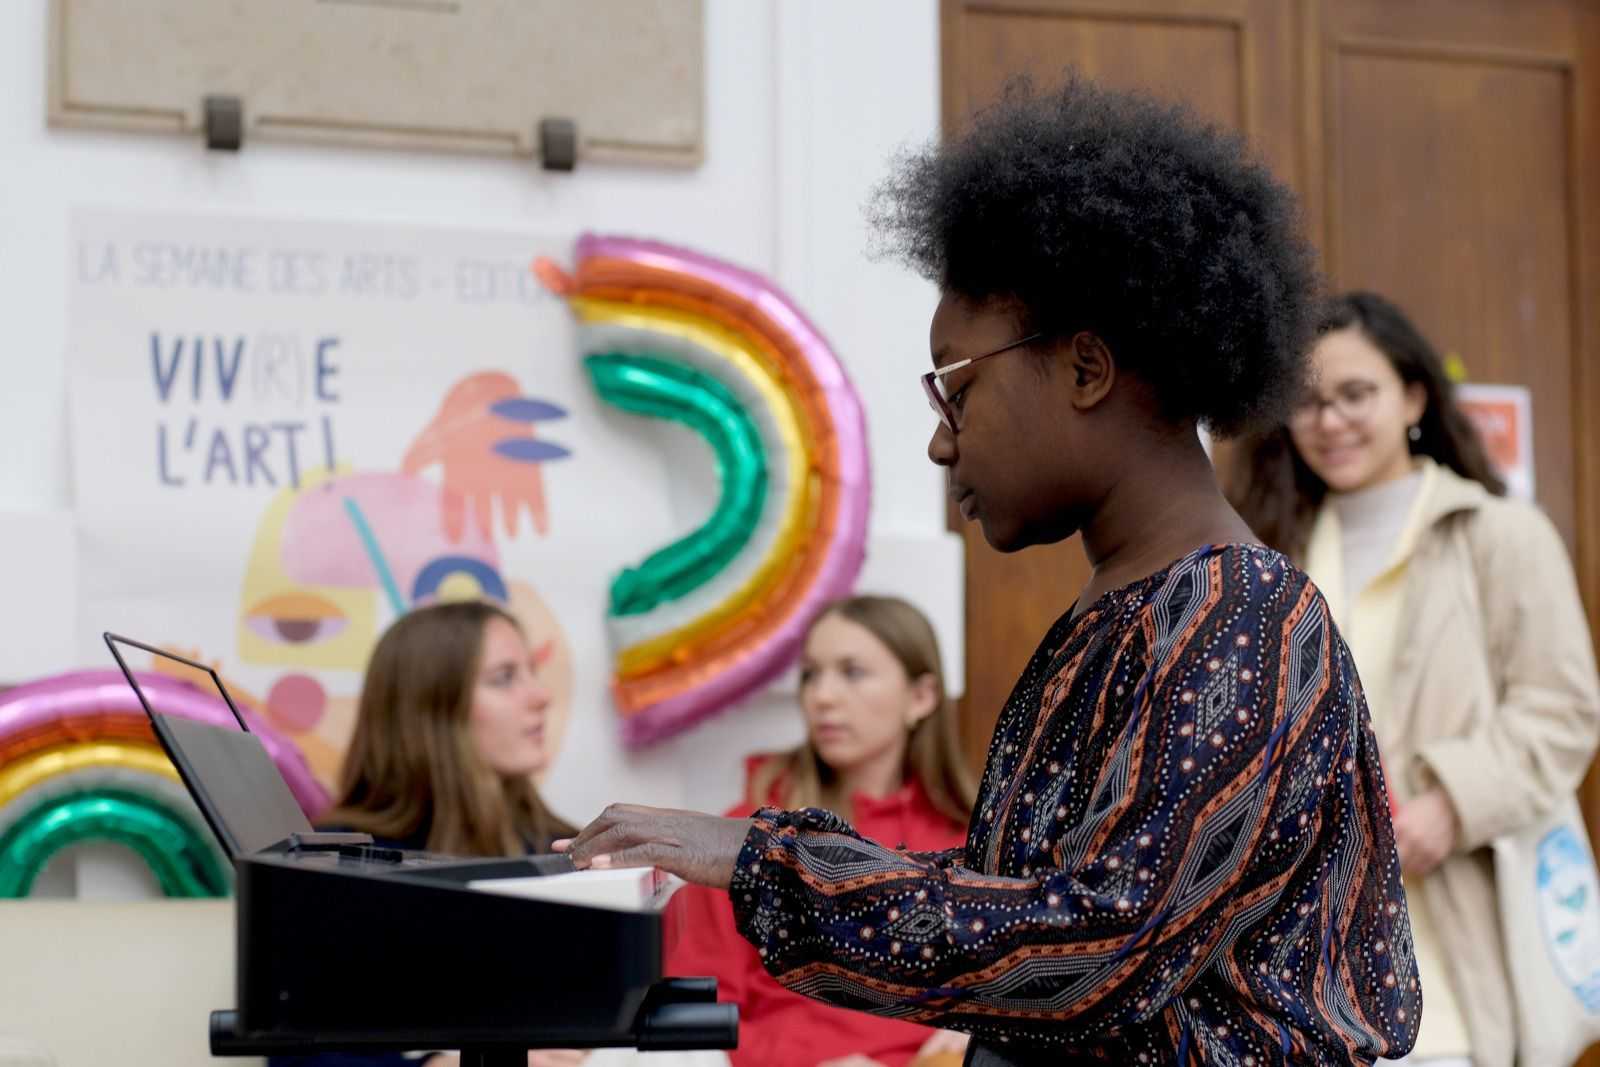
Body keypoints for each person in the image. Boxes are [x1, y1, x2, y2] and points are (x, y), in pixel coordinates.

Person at [556, 74, 1420, 1066]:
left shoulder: (1243, 614)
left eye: (956, 386)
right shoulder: (1127, 612)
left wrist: (767, 860)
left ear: (1085, 368)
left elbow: (1096, 941)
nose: (939, 442)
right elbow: (1017, 901)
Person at [1225, 291, 1600, 1067]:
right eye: (1308, 402)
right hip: (1295, 980)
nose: (1330, 421)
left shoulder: (1497, 533)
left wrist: (1452, 806)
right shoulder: (1266, 554)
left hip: (1448, 971)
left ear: (1414, 397)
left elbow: (1564, 710)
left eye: (1355, 394)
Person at [666, 595, 976, 1067]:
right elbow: (693, 1015)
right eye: (811, 674)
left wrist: (978, 1035)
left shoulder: (974, 843)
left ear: (921, 697)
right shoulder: (748, 838)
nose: (822, 696)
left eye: (852, 672)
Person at [271, 599, 583, 1067]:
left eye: (530, 672)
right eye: (504, 678)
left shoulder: (566, 852)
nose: (540, 696)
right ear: (430, 708)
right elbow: (299, 1053)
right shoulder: (337, 864)